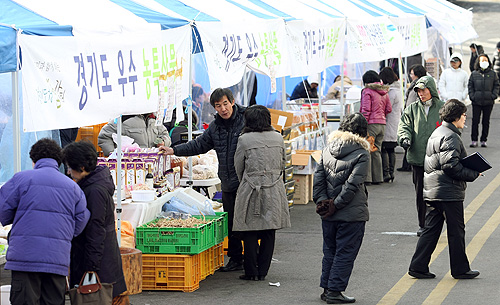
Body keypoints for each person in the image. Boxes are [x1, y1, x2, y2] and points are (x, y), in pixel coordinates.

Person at [163, 88, 245, 271]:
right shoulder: (215, 127)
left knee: (249, 221)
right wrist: (174, 150)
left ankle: (253, 259)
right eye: (218, 106)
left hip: (247, 181)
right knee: (231, 221)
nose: (223, 109)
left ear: (232, 102)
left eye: (225, 103)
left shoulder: (246, 120)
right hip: (228, 180)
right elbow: (199, 145)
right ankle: (236, 258)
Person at [0, 138, 90, 305]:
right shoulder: (73, 188)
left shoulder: (21, 179)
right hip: (57, 259)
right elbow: (81, 219)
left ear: (33, 161)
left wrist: (18, 219)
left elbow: (3, 210)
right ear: (59, 162)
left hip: (24, 258)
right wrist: (64, 235)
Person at [408, 99, 480, 280]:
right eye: (464, 115)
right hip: (448, 192)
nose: (465, 118)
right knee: (456, 231)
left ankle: (418, 266)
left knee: (431, 230)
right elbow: (451, 166)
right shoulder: (450, 135)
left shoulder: (439, 131)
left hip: (434, 190)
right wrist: (473, 173)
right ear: (456, 116)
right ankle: (460, 269)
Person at [313, 112, 370, 304]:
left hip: (328, 212)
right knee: (345, 251)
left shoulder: (328, 148)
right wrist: (335, 205)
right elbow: (352, 186)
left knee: (330, 250)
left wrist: (323, 202)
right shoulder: (362, 153)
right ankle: (335, 291)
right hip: (351, 213)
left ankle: (327, 288)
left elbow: (318, 178)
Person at [63, 141, 129, 304]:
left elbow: (95, 231)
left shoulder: (93, 191)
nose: (68, 171)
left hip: (98, 262)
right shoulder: (95, 182)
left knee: (97, 298)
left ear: (83, 167)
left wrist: (91, 267)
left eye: (70, 167)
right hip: (103, 259)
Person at [233, 105, 291, 281]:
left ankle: (251, 272)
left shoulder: (244, 139)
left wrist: (247, 180)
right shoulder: (278, 137)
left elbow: (238, 166)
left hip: (251, 186)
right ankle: (263, 271)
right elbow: (284, 162)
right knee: (269, 229)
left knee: (249, 228)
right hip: (274, 186)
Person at [398, 76, 445, 237]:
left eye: (423, 90)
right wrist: (404, 138)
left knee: (438, 194)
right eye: (418, 91)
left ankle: (435, 225)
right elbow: (404, 126)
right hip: (418, 158)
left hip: (438, 160)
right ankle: (423, 225)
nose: (421, 94)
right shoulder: (411, 109)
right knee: (421, 194)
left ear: (431, 89)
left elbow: (452, 127)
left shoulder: (442, 108)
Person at [360, 70, 392, 185]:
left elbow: (365, 110)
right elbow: (389, 109)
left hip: (371, 124)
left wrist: (363, 124)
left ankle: (367, 178)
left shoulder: (367, 91)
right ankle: (378, 178)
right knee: (377, 150)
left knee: (367, 150)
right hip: (382, 124)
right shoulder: (384, 91)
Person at [398, 64, 429, 172]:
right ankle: (407, 164)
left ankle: (409, 164)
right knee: (409, 140)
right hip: (411, 115)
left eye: (412, 73)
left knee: (412, 141)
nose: (410, 75)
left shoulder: (420, 86)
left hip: (414, 116)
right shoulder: (414, 84)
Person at [98, 113, 171, 156]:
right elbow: (104, 135)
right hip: (130, 167)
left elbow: (165, 135)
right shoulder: (125, 118)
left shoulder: (154, 119)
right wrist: (113, 156)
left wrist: (163, 142)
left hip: (153, 166)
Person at [468, 53, 499, 148]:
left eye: (486, 60)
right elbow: (470, 86)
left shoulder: (493, 74)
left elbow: (496, 85)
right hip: (476, 101)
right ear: (478, 62)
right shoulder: (474, 74)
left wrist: (493, 95)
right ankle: (474, 140)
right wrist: (472, 96)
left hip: (488, 102)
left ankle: (483, 139)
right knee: (475, 121)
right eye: (482, 60)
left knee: (486, 121)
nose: (484, 62)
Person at [379, 67, 403, 183]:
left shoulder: (391, 92)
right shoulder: (397, 89)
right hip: (395, 121)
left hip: (389, 122)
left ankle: (386, 173)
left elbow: (387, 108)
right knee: (391, 148)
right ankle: (391, 173)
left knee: (385, 148)